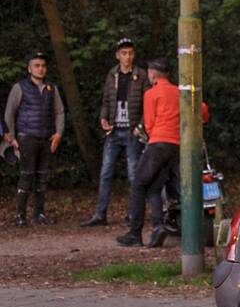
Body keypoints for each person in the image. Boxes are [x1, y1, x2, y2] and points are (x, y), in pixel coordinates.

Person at [117, 59, 208, 248]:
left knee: (138, 184)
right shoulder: (180, 92)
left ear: (152, 74)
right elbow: (204, 112)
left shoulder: (151, 94)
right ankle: (158, 226)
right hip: (178, 147)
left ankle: (135, 233)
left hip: (158, 143)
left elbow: (149, 124)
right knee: (154, 189)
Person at [80, 37, 150, 227]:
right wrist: (103, 118)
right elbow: (106, 101)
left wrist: (140, 126)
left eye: (130, 53)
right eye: (124, 53)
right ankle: (100, 214)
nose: (127, 57)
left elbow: (148, 104)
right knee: (105, 173)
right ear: (117, 55)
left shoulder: (141, 75)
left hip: (132, 131)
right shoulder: (112, 75)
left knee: (133, 174)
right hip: (114, 131)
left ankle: (133, 215)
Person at [3, 52, 64, 227]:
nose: (40, 68)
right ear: (29, 68)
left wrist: (58, 133)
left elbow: (59, 111)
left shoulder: (52, 88)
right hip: (27, 137)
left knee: (42, 177)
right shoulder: (20, 87)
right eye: (37, 65)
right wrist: (11, 138)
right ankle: (20, 216)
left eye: (43, 65)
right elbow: (10, 113)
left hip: (46, 138)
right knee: (26, 176)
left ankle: (39, 214)